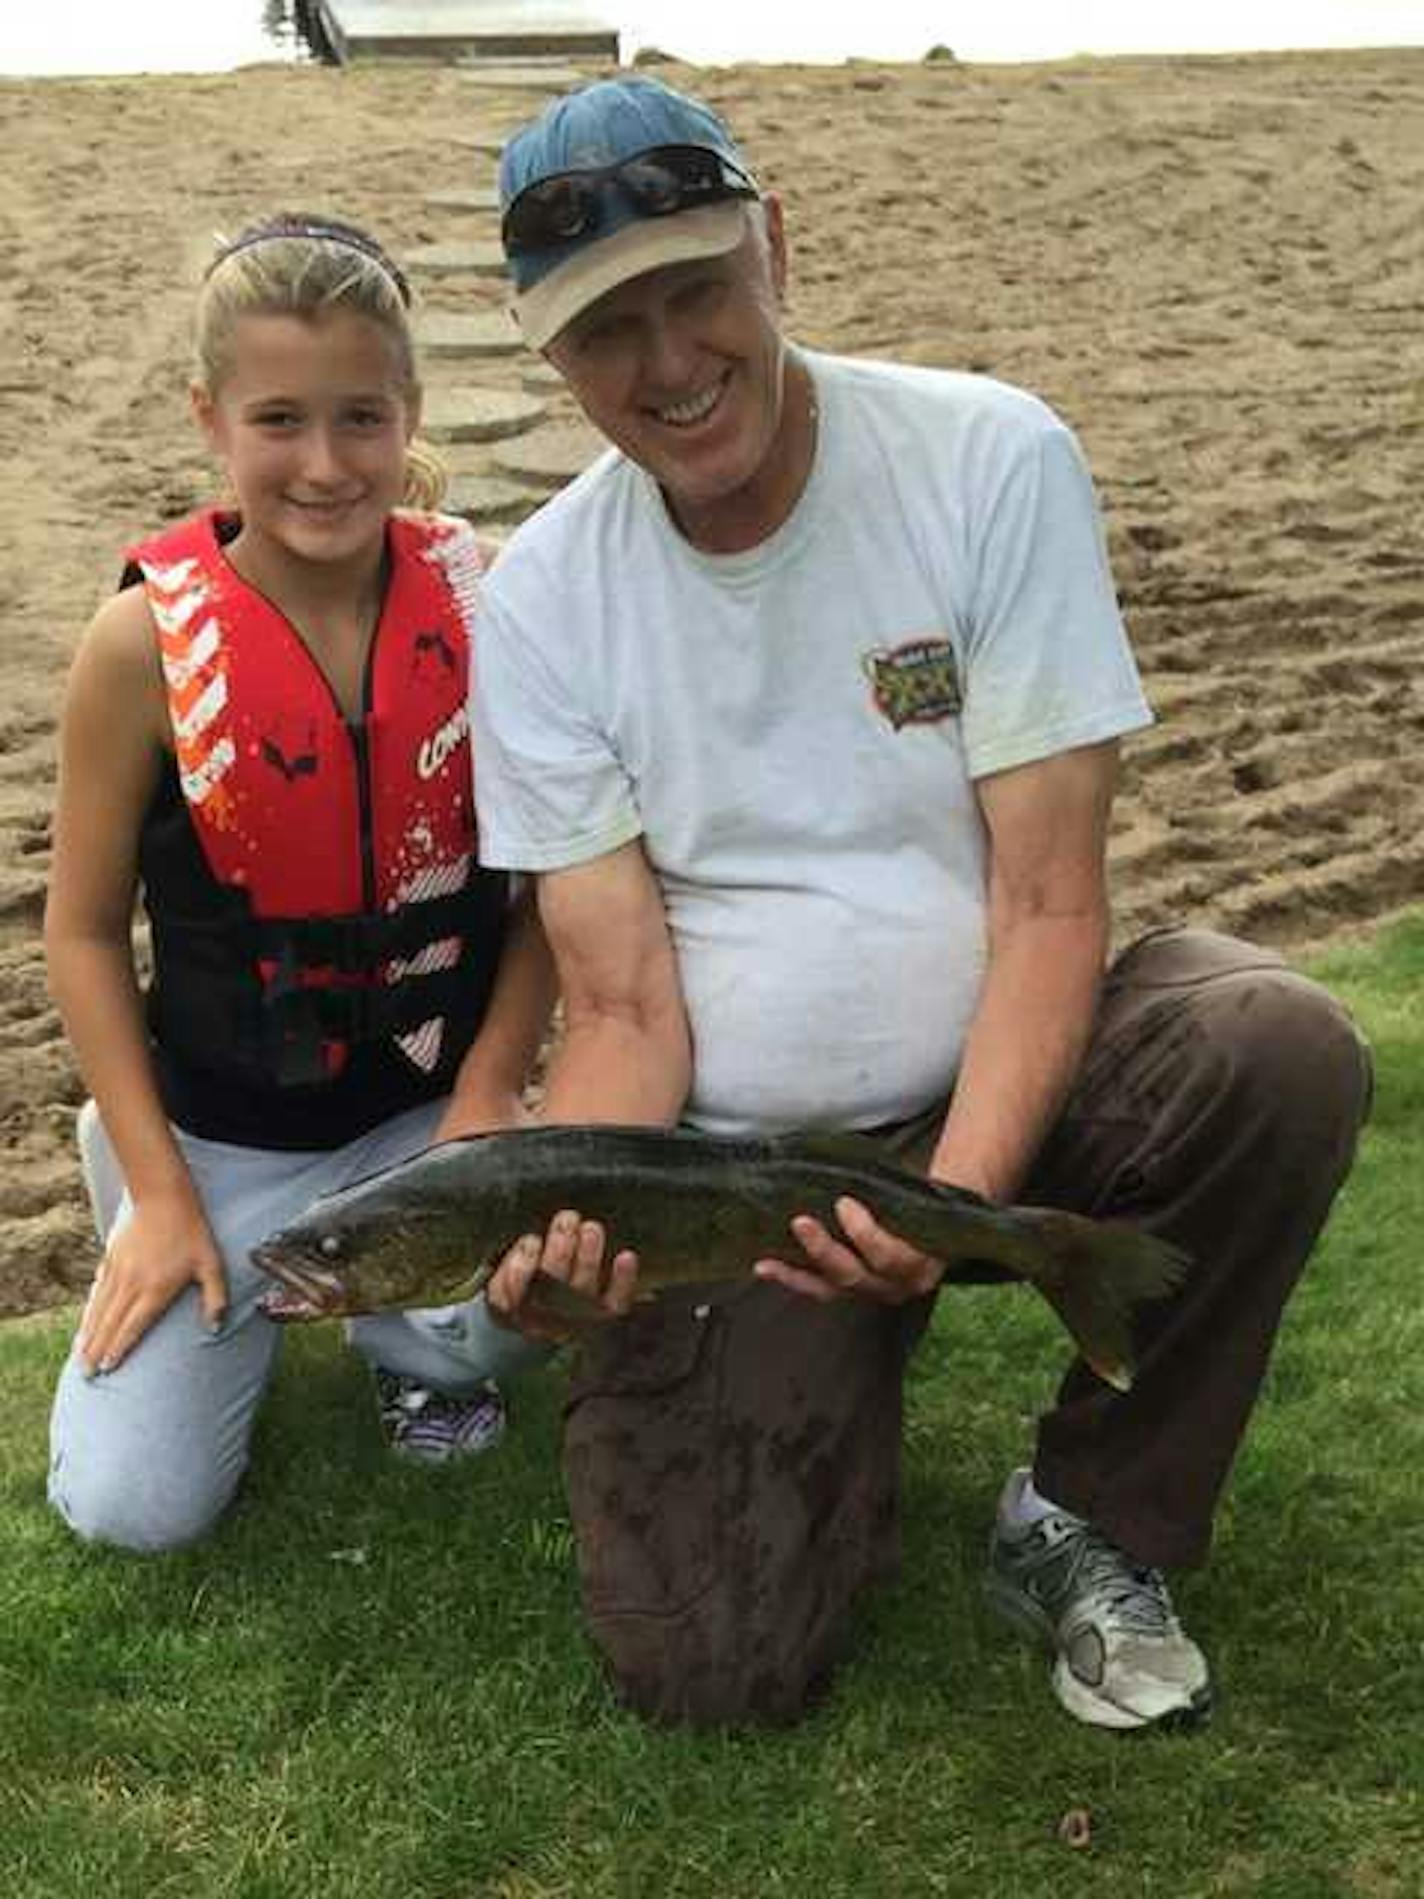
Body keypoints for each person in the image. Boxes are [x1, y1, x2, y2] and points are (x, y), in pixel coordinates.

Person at [447, 74, 1375, 1731]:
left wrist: (945, 1213)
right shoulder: (539, 603)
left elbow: (1044, 909)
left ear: (775, 249)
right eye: (607, 334)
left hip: (1009, 1072)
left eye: (695, 293)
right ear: (551, 360)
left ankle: (1091, 1511)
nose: (668, 366)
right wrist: (561, 1231)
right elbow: (629, 1011)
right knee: (710, 1668)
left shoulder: (988, 456)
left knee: (1275, 1043)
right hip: (730, 1168)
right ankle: (813, 1433)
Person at [45, 213, 553, 1553]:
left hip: (426, 1123)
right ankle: (142, 1193)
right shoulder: (136, 646)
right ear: (212, 417)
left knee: (508, 1333)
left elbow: (548, 894)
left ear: (410, 413)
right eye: (279, 420)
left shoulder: (489, 600)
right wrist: (164, 1192)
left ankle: (407, 1347)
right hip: (220, 1138)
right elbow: (86, 933)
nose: (325, 466)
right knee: (131, 1513)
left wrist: (493, 1096)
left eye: (360, 419)